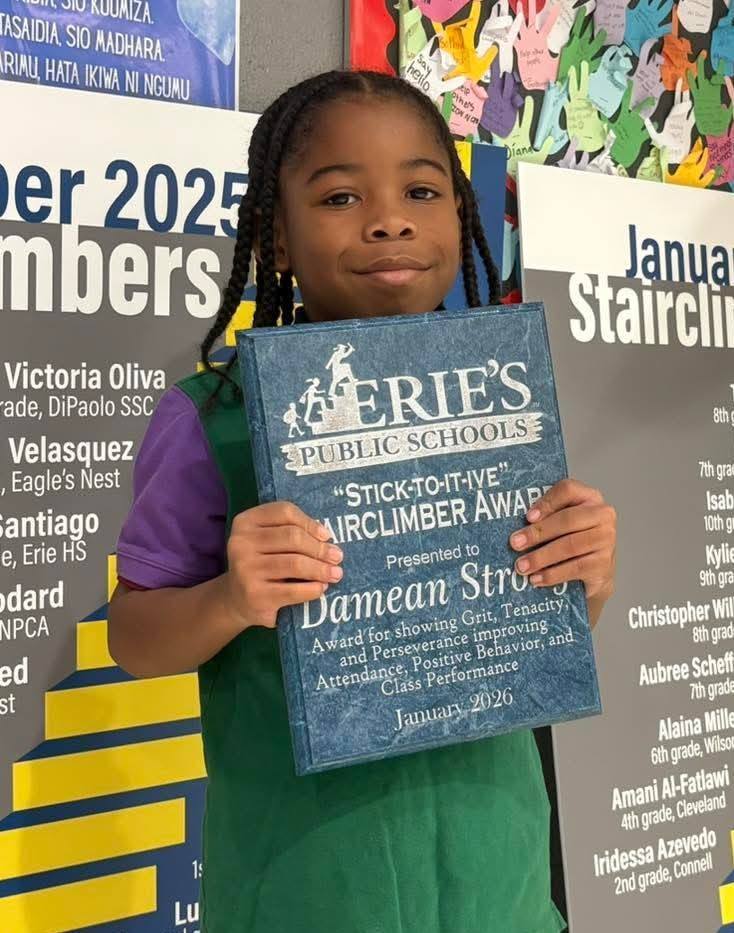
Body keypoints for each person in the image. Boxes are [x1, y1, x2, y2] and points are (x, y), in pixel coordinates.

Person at [108, 69, 616, 933]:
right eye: (340, 195)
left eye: (423, 189)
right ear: (273, 237)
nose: (390, 219)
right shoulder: (214, 419)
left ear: (460, 215)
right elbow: (133, 638)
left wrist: (583, 574)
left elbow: (535, 627)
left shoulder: (503, 403)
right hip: (305, 889)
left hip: (502, 882)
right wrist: (231, 599)